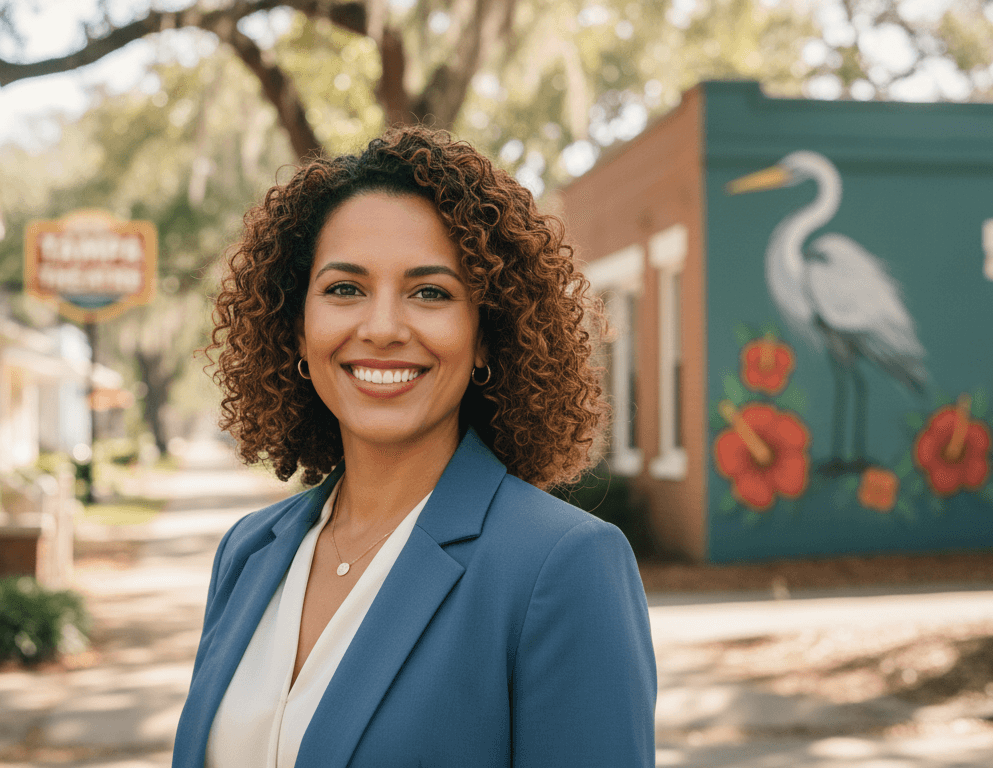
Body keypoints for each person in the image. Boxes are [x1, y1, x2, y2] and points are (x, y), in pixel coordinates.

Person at [172, 126, 656, 768]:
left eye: (431, 292)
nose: (381, 328)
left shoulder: (561, 568)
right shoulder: (249, 552)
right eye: (345, 288)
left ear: (486, 333)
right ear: (297, 326)